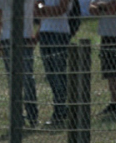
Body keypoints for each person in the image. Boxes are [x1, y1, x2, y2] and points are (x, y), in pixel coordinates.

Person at [0, 0, 39, 128]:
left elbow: (39, 5)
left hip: (23, 38)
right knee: (19, 78)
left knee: (25, 78)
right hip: (10, 39)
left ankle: (30, 115)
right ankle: (21, 116)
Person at [33, 0, 73, 128]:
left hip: (59, 33)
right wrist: (43, 8)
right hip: (45, 33)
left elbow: (61, 9)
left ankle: (61, 110)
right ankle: (60, 109)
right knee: (50, 75)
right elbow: (37, 8)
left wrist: (43, 8)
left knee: (58, 73)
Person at [89, 0, 116, 117]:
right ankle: (114, 103)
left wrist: (100, 6)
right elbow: (91, 9)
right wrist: (103, 6)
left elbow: (115, 8)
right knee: (110, 71)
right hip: (106, 34)